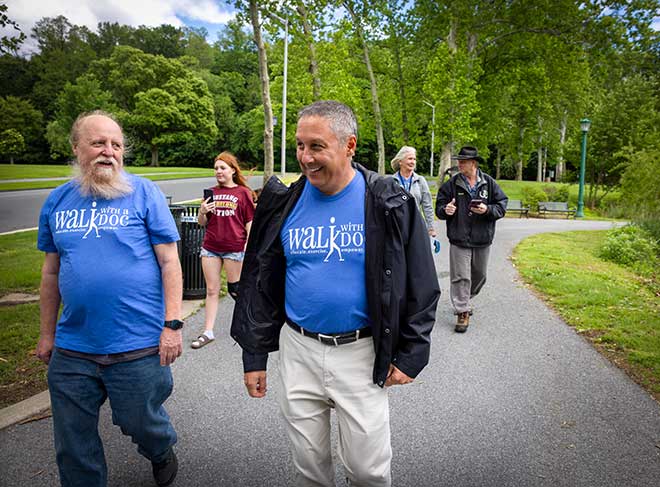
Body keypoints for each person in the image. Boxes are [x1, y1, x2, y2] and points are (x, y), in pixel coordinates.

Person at [231, 100, 440, 486]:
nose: (305, 158)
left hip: (361, 353)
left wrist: (412, 354)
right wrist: (254, 354)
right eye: (299, 146)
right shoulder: (283, 202)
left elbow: (422, 283)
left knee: (367, 470)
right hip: (298, 350)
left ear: (349, 145)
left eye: (316, 147)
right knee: (309, 467)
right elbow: (258, 284)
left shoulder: (388, 201)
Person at [36, 110, 183, 487]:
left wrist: (172, 324)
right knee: (72, 443)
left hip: (136, 344)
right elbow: (51, 273)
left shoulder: (144, 193)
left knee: (142, 422)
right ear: (76, 148)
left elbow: (170, 261)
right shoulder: (57, 202)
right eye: (98, 142)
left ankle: (160, 448)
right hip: (73, 347)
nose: (109, 151)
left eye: (116, 144)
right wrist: (47, 334)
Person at [435, 146, 508, 333]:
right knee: (461, 276)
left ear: (473, 163)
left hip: (482, 238)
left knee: (479, 275)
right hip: (459, 238)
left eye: (463, 161)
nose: (459, 164)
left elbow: (501, 205)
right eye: (459, 161)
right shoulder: (451, 185)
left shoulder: (489, 183)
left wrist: (487, 210)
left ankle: (465, 299)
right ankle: (462, 311)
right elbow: (440, 208)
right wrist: (446, 211)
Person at [192, 152, 255, 349]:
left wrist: (248, 245)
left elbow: (249, 221)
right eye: (216, 168)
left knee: (236, 290)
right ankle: (207, 332)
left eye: (222, 168)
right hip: (211, 247)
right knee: (212, 290)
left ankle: (250, 325)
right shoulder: (210, 193)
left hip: (234, 248)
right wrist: (202, 211)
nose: (218, 171)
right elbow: (202, 223)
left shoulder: (243, 193)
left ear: (233, 171)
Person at [390, 146, 437, 237]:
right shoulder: (392, 181)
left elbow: (427, 206)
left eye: (414, 159)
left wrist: (431, 228)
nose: (413, 162)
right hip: (397, 227)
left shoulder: (420, 180)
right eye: (410, 159)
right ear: (400, 161)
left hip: (416, 225)